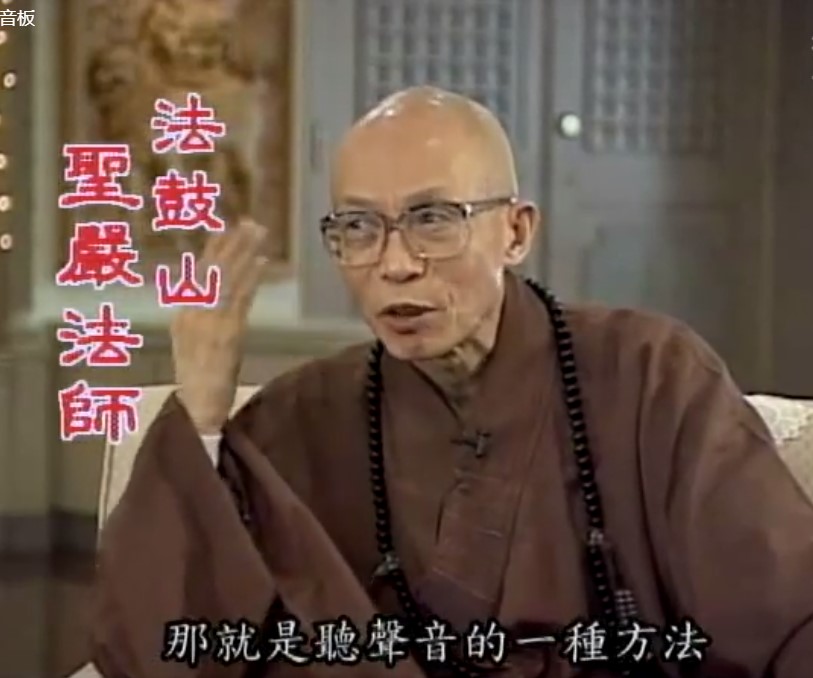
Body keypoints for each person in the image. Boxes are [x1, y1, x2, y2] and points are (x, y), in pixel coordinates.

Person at [86, 87, 813, 678]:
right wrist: (202, 410)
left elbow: (785, 610)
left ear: (516, 232)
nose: (395, 264)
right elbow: (161, 646)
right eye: (358, 228)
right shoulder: (302, 421)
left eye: (432, 220)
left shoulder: (649, 376)